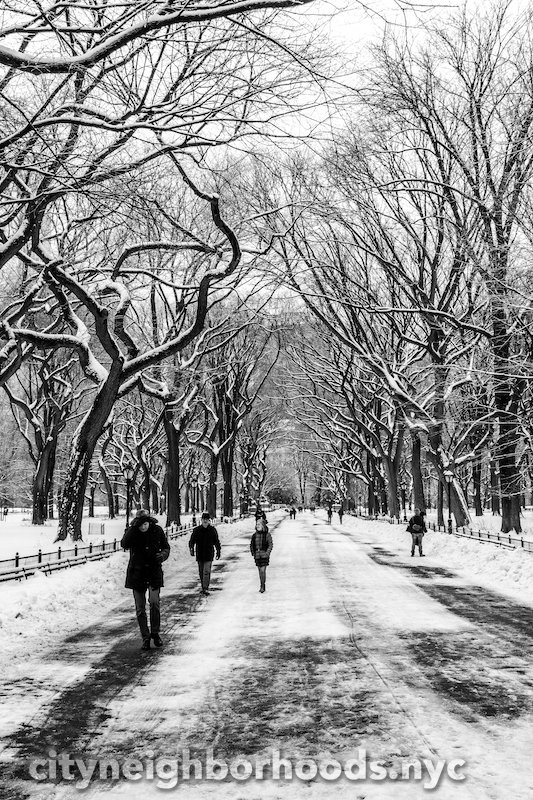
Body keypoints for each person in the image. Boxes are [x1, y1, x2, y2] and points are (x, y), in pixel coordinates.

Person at [121, 509, 170, 651]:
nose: (144, 527)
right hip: (137, 574)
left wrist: (163, 555)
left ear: (149, 521)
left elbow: (166, 547)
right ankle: (145, 637)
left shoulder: (157, 530)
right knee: (140, 609)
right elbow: (124, 544)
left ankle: (155, 633)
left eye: (145, 524)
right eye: (141, 525)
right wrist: (132, 528)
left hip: (153, 572)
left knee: (154, 603)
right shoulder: (133, 532)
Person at [189, 512, 221, 595]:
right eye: (204, 519)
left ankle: (205, 588)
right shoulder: (197, 530)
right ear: (201, 520)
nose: (205, 521)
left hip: (209, 554)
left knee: (206, 571)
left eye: (207, 520)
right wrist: (191, 549)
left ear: (209, 520)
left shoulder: (212, 530)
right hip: (200, 554)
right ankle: (203, 586)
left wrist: (218, 551)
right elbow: (192, 541)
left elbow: (216, 541)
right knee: (201, 571)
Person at [250, 516, 273, 593]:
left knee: (263, 570)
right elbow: (252, 544)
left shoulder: (267, 535)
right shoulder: (254, 535)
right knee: (260, 571)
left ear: (263, 525)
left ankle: (262, 585)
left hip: (264, 555)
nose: (257, 526)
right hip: (257, 555)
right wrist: (253, 553)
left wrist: (267, 553)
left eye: (259, 524)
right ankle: (261, 583)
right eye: (257, 524)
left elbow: (270, 544)